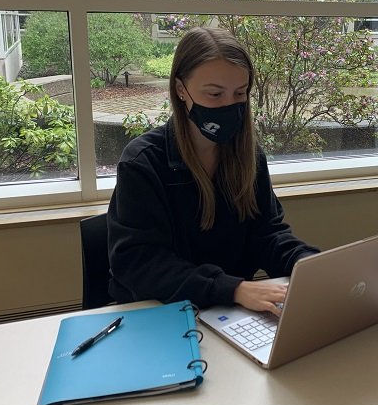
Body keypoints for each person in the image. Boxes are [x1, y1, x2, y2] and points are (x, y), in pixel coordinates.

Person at [107, 26, 319, 316]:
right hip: (160, 317)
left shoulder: (248, 156)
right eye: (215, 94)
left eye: (240, 93)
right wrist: (233, 289)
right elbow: (141, 264)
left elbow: (267, 235)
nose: (229, 105)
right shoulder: (142, 163)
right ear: (181, 90)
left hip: (229, 312)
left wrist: (309, 266)